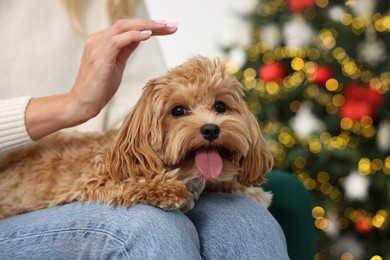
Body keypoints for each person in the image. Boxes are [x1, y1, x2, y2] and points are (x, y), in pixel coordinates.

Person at [0, 1, 289, 259]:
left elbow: (139, 118)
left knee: (246, 220)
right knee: (151, 227)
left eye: (220, 107)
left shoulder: (116, 3)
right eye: (180, 111)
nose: (209, 123)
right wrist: (70, 106)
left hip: (102, 150)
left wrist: (188, 166)